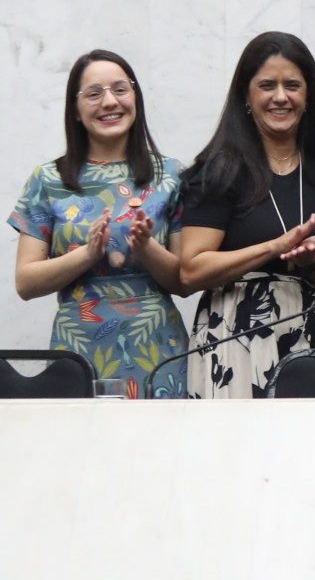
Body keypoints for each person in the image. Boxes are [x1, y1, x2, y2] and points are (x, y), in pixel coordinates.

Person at [179, 32, 315, 399]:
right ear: (246, 95)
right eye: (267, 86)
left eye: (293, 85)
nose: (280, 97)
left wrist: (312, 260)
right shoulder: (219, 170)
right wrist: (275, 247)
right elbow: (192, 270)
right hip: (232, 337)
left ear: (308, 97)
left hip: (311, 333)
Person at [11, 51, 190, 397]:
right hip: (78, 347)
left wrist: (146, 247)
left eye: (120, 90)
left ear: (135, 97)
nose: (110, 102)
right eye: (94, 94)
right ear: (75, 110)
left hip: (158, 345)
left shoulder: (172, 175)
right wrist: (87, 254)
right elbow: (25, 282)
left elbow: (184, 281)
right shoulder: (48, 179)